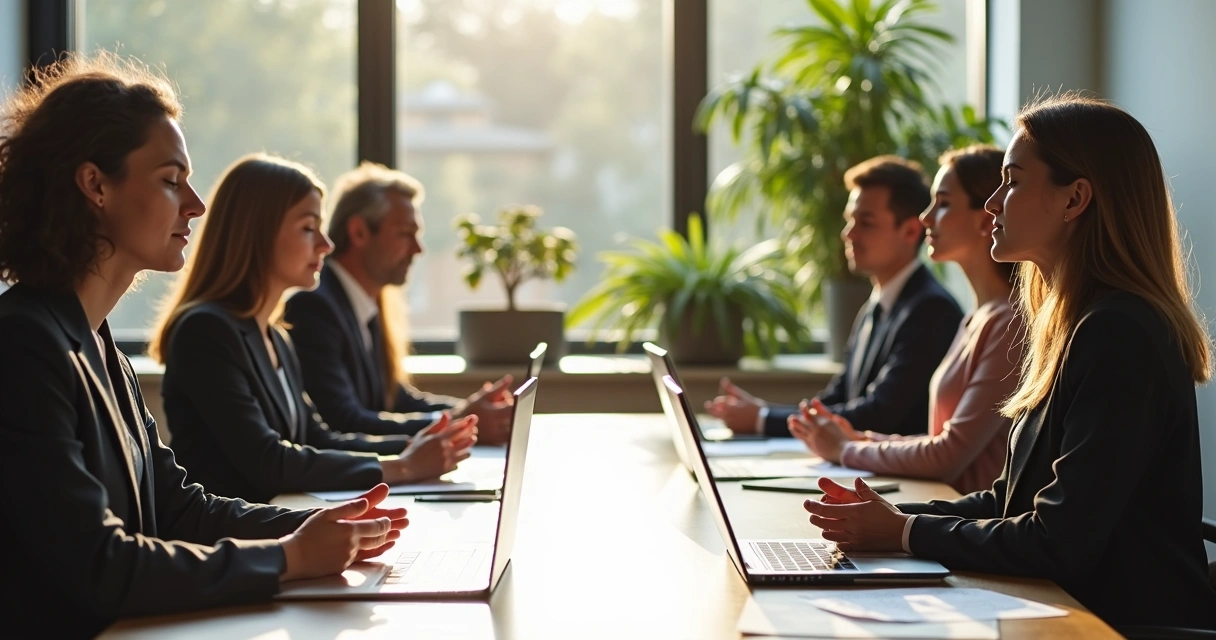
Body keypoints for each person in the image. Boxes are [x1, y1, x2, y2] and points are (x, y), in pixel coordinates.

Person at [0, 54, 406, 638]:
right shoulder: (24, 345)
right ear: (95, 185)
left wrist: (320, 527)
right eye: (171, 181)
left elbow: (179, 509)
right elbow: (101, 565)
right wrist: (290, 557)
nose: (195, 204)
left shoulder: (98, 344)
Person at [801, 96, 1216, 629]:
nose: (993, 205)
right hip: (1063, 607)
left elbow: (1057, 540)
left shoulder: (1119, 333)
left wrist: (904, 533)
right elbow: (1012, 498)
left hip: (1115, 624)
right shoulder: (1074, 323)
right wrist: (891, 518)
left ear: (1075, 199)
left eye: (1012, 182)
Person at [151, 154, 477, 504]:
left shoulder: (275, 335)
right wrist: (404, 466)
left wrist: (417, 447)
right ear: (258, 234)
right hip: (230, 533)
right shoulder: (206, 330)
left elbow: (317, 438)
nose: (326, 244)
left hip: (283, 519)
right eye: (309, 228)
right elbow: (267, 461)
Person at [789, 146, 1021, 494]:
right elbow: (936, 440)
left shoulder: (1009, 322)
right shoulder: (976, 317)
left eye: (943, 203)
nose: (925, 218)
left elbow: (949, 454)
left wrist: (846, 449)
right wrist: (862, 440)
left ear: (987, 217)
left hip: (966, 515)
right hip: (944, 504)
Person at [708, 156, 962, 437]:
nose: (848, 234)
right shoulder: (877, 304)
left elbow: (878, 415)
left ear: (911, 230)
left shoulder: (931, 310)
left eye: (866, 222)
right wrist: (764, 411)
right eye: (849, 220)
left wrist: (763, 419)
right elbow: (838, 398)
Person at [283, 162, 513, 444]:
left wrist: (470, 412)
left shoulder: (364, 304)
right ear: (359, 232)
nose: (418, 249)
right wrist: (460, 420)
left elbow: (396, 400)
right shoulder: (313, 307)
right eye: (405, 233)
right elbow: (343, 420)